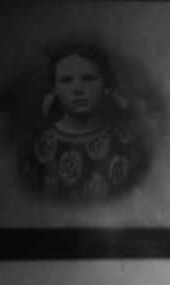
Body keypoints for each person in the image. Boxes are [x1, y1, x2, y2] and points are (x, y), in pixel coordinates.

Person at [17, 43, 148, 201]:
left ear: (106, 86)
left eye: (88, 78)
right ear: (54, 88)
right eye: (66, 80)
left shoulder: (129, 144)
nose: (78, 89)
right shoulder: (33, 145)